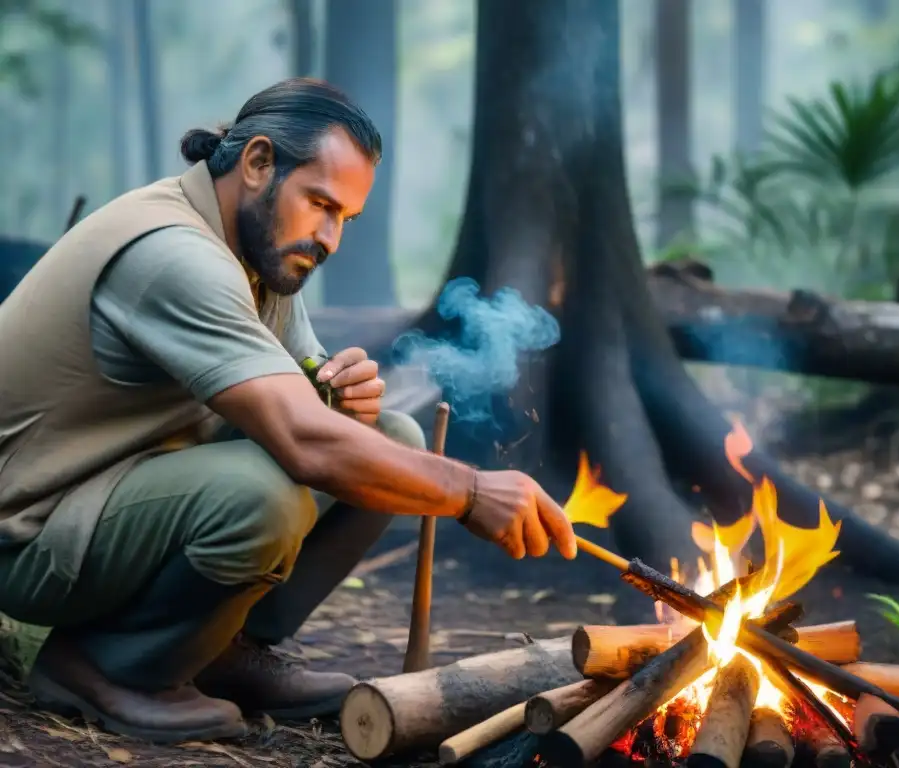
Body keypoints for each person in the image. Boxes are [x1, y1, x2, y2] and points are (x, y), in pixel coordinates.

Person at [0, 77, 577, 744]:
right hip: (31, 532)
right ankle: (110, 669)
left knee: (393, 437)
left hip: (116, 493)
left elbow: (316, 416)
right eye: (321, 204)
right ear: (257, 163)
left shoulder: (259, 252)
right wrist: (471, 492)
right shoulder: (173, 254)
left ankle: (220, 650)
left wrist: (342, 398)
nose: (330, 237)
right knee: (264, 498)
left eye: (346, 219)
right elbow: (305, 446)